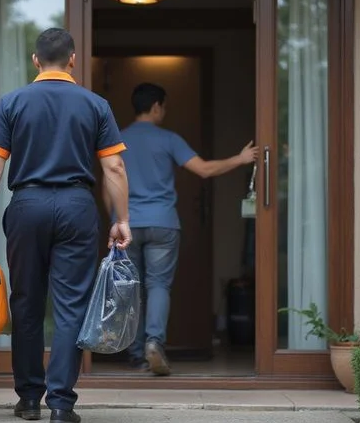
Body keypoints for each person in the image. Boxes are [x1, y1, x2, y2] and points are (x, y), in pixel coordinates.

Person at [0, 28, 132, 423]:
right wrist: (121, 219)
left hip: (27, 205)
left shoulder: (13, 102)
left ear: (36, 61)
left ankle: (28, 400)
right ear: (73, 59)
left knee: (26, 301)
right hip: (77, 206)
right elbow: (114, 166)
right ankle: (61, 404)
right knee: (71, 305)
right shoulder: (96, 104)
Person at [105, 82, 258, 376]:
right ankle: (154, 343)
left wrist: (114, 217)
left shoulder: (117, 139)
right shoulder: (169, 139)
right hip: (163, 222)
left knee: (131, 289)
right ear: (156, 107)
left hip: (127, 224)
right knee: (158, 285)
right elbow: (203, 170)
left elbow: (107, 186)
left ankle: (136, 355)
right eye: (164, 106)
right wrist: (240, 159)